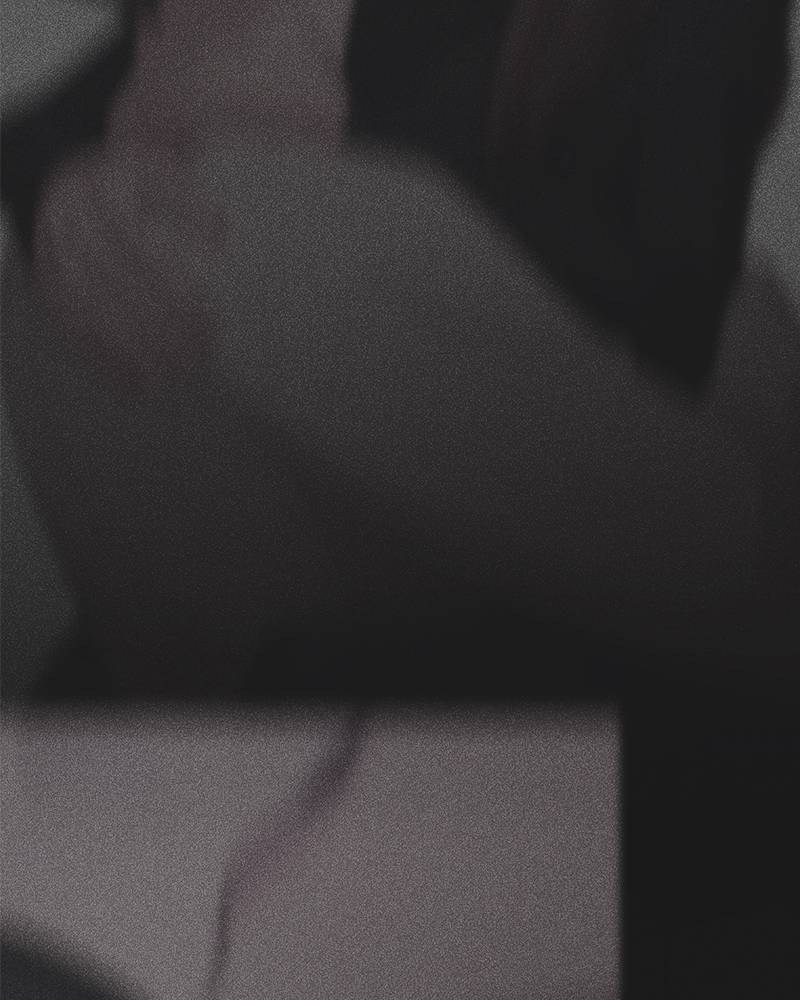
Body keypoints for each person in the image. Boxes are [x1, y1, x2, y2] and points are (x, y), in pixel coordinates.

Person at [1, 0, 798, 703]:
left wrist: (295, 178)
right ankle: (240, 710)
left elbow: (670, 292)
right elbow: (42, 131)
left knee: (225, 216)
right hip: (375, 487)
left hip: (662, 413)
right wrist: (65, 192)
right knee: (73, 279)